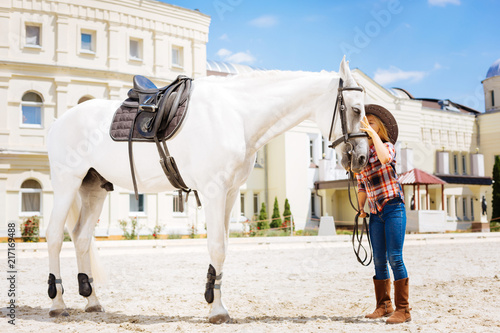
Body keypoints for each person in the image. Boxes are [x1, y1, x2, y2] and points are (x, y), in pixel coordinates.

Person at [357, 104, 411, 324]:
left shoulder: (387, 146)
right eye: (365, 123)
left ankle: (404, 310)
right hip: (375, 212)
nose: (367, 125)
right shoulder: (363, 155)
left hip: (393, 208)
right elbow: (361, 185)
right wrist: (361, 208)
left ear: (379, 128)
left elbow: (385, 159)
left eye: (372, 123)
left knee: (394, 258)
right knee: (379, 259)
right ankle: (384, 305)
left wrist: (371, 135)